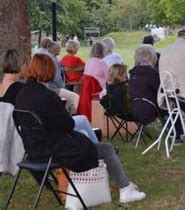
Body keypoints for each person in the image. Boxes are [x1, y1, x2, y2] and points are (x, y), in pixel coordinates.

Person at [15, 54, 145, 203]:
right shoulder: (47, 97)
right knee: (106, 149)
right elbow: (68, 125)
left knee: (85, 138)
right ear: (48, 71)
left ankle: (122, 186)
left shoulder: (22, 94)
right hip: (54, 151)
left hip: (33, 150)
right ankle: (125, 189)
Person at [129, 44, 175, 129]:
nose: (156, 58)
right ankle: (176, 131)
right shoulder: (152, 74)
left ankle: (172, 129)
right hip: (151, 108)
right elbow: (162, 90)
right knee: (174, 102)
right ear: (150, 57)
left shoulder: (133, 74)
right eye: (154, 55)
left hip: (135, 108)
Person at [46, 41, 80, 114]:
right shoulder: (53, 60)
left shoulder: (48, 58)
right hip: (53, 88)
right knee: (75, 97)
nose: (60, 50)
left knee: (70, 95)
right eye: (58, 48)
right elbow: (57, 78)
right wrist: (63, 87)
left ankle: (67, 112)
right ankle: (71, 115)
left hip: (46, 86)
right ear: (53, 50)